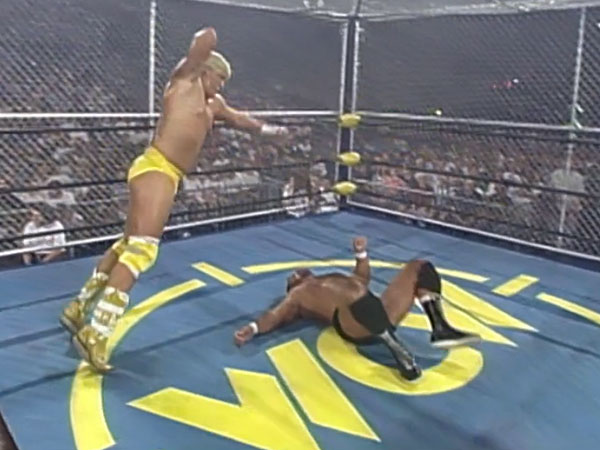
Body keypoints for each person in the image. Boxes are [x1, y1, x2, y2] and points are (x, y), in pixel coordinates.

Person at [60, 27, 287, 372]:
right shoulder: (184, 82)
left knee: (127, 245)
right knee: (142, 250)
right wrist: (210, 37)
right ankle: (97, 332)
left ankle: (79, 307)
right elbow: (203, 41)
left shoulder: (214, 104)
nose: (222, 85)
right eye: (220, 77)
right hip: (157, 167)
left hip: (167, 173)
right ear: (207, 70)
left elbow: (240, 119)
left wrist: (269, 130)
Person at [234, 236, 479, 381]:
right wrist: (253, 328)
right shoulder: (299, 295)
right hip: (353, 324)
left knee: (419, 266)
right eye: (292, 277)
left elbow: (362, 279)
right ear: (293, 285)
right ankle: (397, 349)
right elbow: (274, 315)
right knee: (352, 294)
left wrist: (361, 255)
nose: (296, 272)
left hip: (374, 309)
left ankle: (440, 327)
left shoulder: (332, 278)